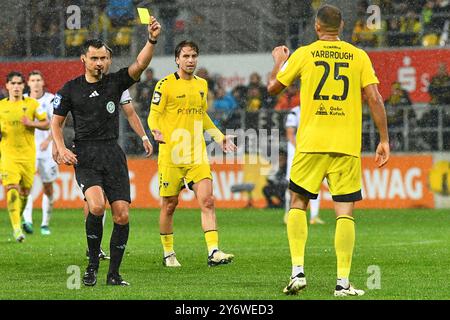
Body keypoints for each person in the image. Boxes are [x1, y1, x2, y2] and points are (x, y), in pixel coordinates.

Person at [267, 4, 389, 297]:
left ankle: (297, 272)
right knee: (344, 212)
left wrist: (279, 61)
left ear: (317, 27)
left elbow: (273, 88)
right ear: (342, 26)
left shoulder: (305, 53)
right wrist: (384, 138)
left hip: (310, 144)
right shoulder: (359, 56)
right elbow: (373, 96)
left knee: (297, 203)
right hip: (345, 145)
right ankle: (342, 282)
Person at [51, 17, 160, 286]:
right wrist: (61, 147)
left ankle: (114, 274)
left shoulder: (114, 83)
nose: (100, 62)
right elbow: (56, 122)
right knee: (97, 206)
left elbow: (140, 65)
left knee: (122, 214)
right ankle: (91, 266)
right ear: (84, 60)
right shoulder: (71, 89)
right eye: (94, 58)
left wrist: (152, 40)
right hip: (86, 154)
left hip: (113, 154)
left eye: (103, 58)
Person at [148, 40, 236, 268]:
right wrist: (155, 130)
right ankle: (168, 253)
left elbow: (202, 115)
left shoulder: (202, 85)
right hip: (171, 154)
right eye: (186, 56)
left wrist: (219, 136)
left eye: (194, 56)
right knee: (169, 204)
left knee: (207, 200)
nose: (190, 60)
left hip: (197, 153)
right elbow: (154, 114)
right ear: (177, 59)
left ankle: (213, 251)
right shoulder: (165, 84)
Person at [0, 71, 49, 242]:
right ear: (7, 86)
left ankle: (17, 220)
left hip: (28, 156)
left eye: (19, 84)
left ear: (23, 86)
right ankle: (16, 229)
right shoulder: (1, 106)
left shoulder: (32, 104)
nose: (16, 87)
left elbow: (47, 123)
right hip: (8, 156)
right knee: (12, 189)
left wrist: (32, 123)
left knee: (25, 193)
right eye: (12, 84)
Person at [21, 71, 56, 236]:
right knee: (26, 185)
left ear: (43, 82)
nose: (35, 83)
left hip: (46, 150)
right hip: (28, 149)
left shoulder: (51, 99)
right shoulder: (22, 100)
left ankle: (44, 223)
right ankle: (27, 220)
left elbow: (57, 123)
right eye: (32, 80)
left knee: (48, 188)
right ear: (28, 83)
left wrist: (48, 140)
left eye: (38, 80)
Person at [284, 105, 324, 225]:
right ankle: (288, 213)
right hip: (296, 151)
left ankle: (314, 215)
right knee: (292, 184)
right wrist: (300, 148)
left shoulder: (316, 109)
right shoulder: (294, 112)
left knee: (316, 181)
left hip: (313, 149)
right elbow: (290, 133)